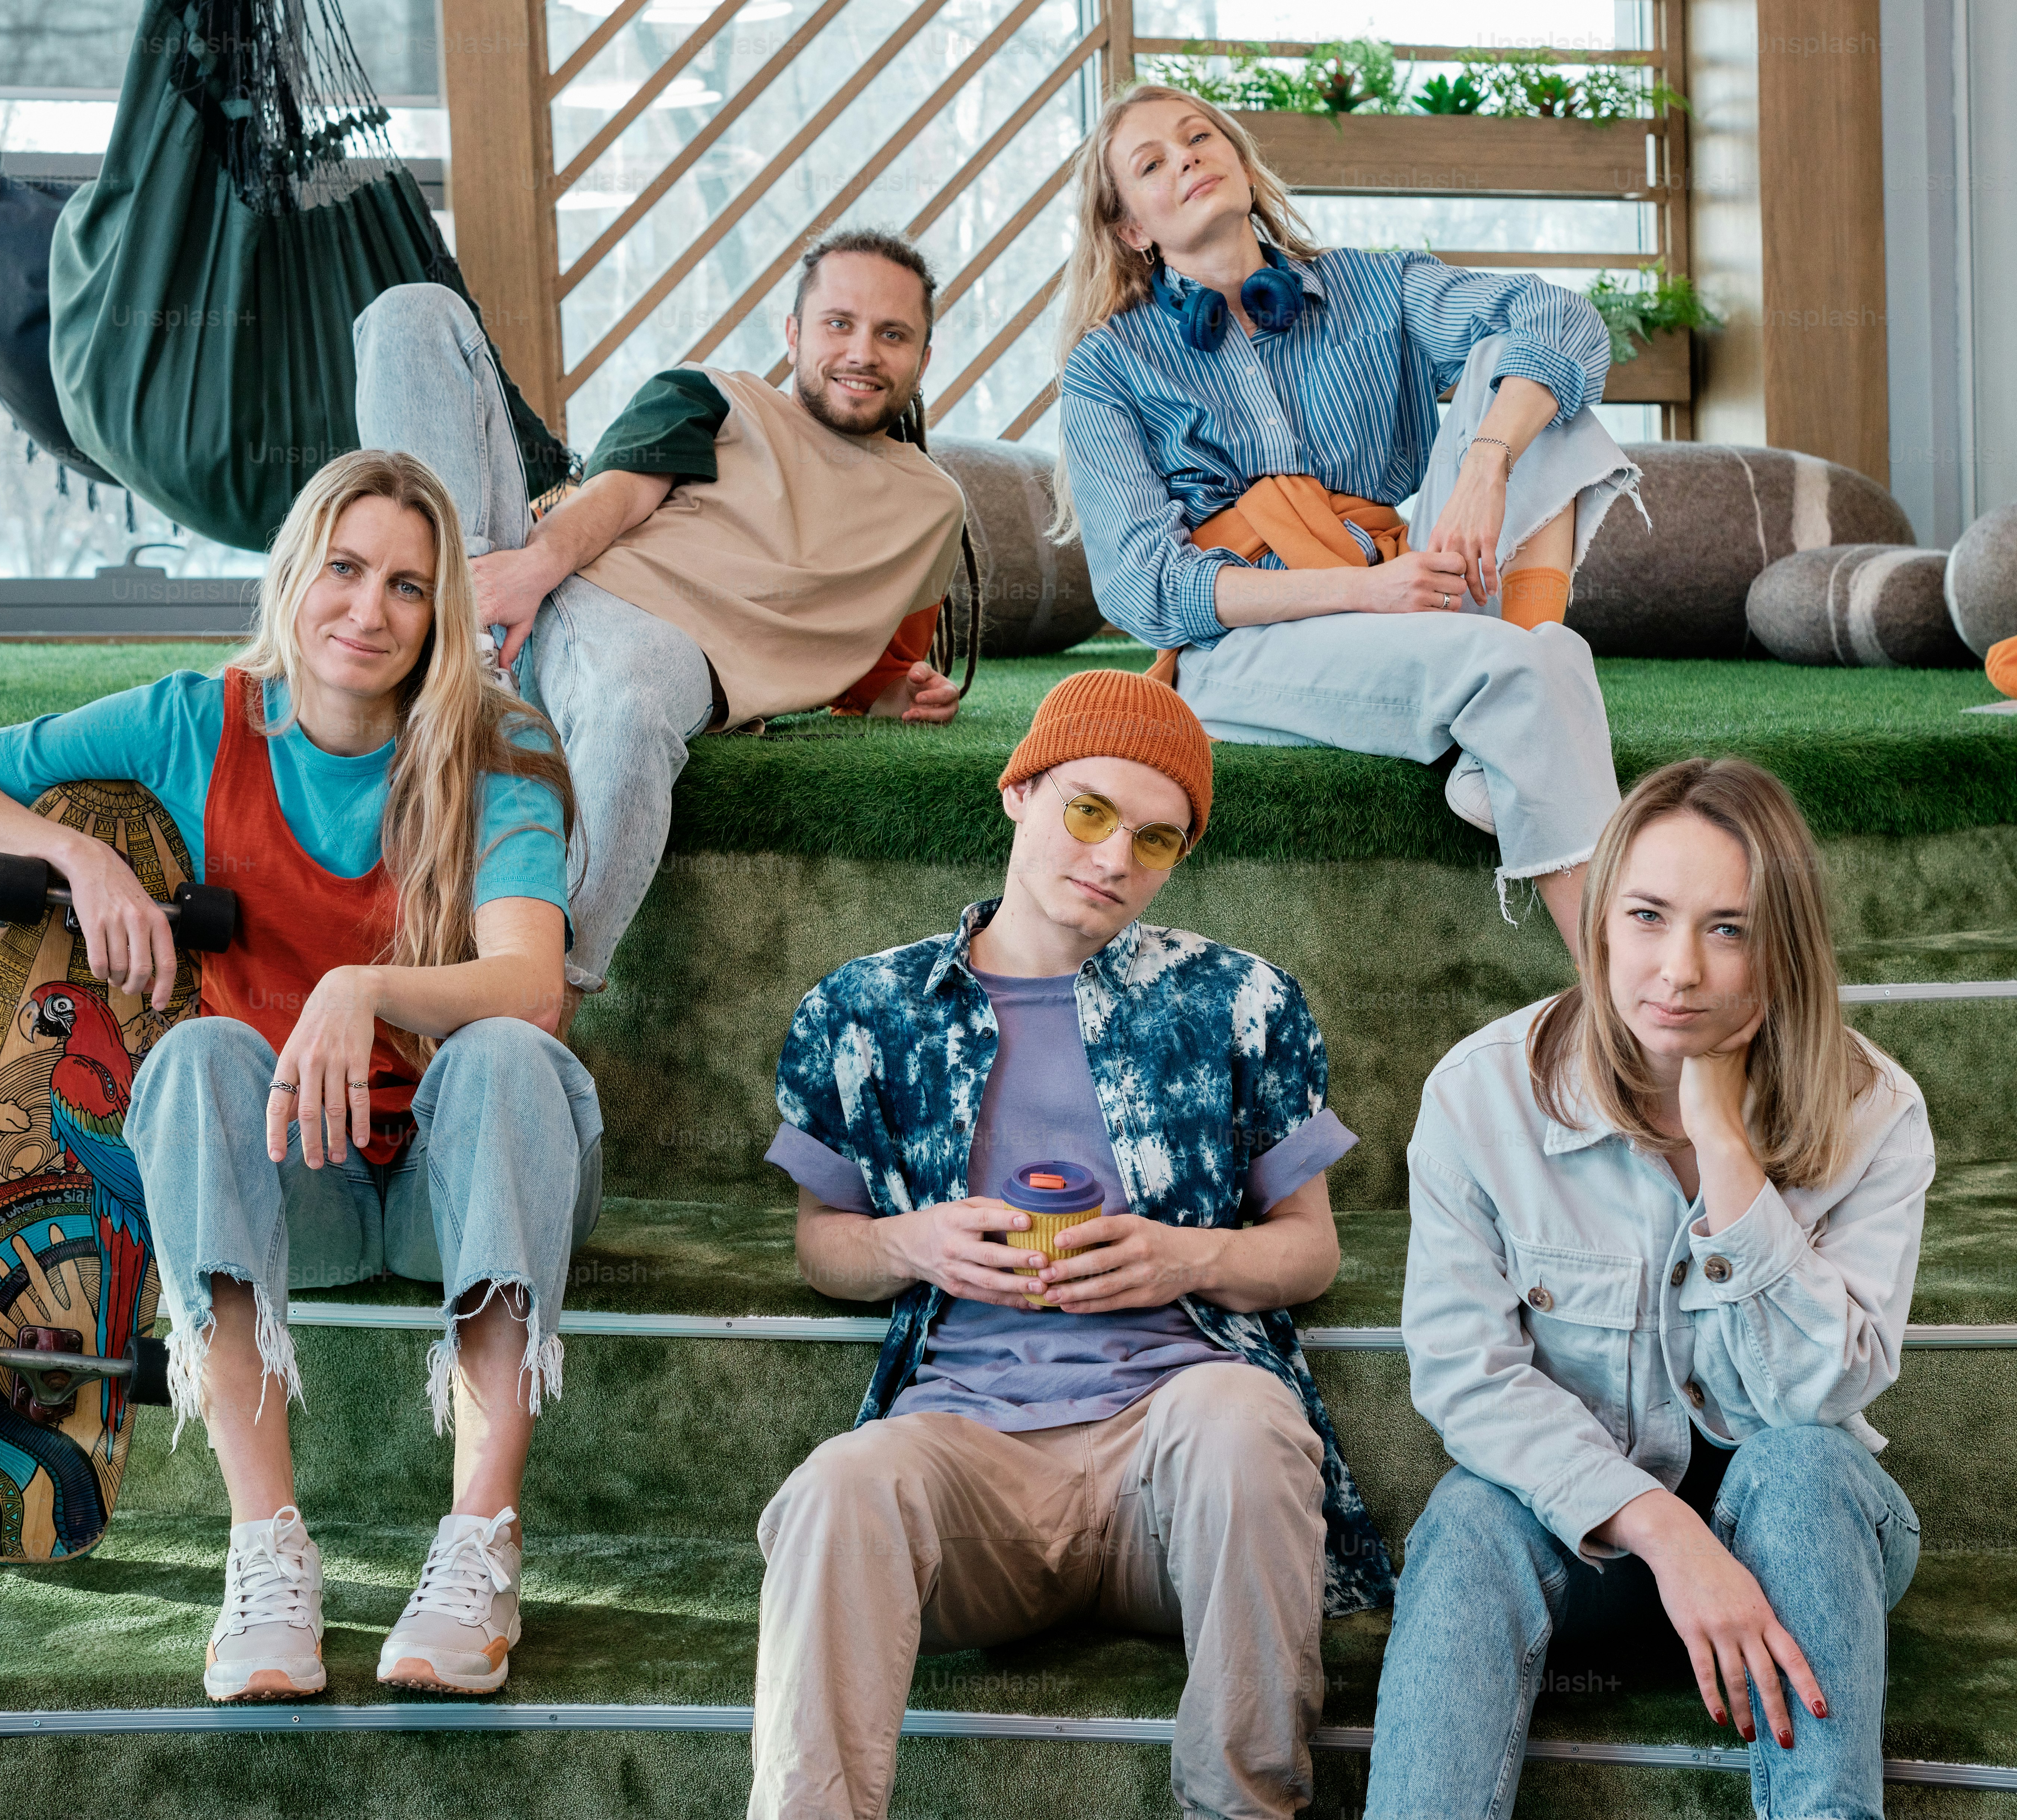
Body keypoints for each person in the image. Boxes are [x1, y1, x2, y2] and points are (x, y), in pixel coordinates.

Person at [0, 451, 601, 1704]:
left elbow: (529, 978)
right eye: (346, 570)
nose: (368, 610)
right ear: (295, 576)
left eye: (409, 587)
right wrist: (75, 858)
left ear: (442, 615)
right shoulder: (199, 720)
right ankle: (266, 1549)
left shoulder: (499, 742)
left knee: (509, 1053)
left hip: (470, 1179)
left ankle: (480, 1540)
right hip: (290, 1185)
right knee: (200, 1053)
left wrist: (361, 988)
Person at [747, 669, 1392, 1820]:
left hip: (1173, 1457)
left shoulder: (1241, 1003)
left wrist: (1186, 1257)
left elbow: (1308, 1254)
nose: (1112, 860)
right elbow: (822, 1247)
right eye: (1088, 811)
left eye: (1155, 839)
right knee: (837, 1488)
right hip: (970, 1458)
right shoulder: (866, 1010)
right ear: (1020, 791)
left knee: (1246, 1417)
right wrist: (914, 1242)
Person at [1366, 757, 1934, 1819]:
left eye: (1729, 928)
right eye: (1646, 916)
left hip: (1802, 1549)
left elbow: (1820, 1392)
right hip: (1586, 1550)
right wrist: (1666, 1535)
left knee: (1802, 1465)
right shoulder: (1483, 1094)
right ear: (1599, 924)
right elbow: (1466, 1377)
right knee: (1470, 1511)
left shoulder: (1873, 1112)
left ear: (1786, 945)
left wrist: (1726, 1147)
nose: (1678, 970)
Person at [1053, 84, 1642, 961]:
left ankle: (1508, 693)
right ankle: (1626, 1006)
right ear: (1134, 230)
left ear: (1242, 166)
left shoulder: (1375, 287)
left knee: (1531, 381)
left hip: (1415, 588)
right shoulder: (1107, 366)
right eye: (1151, 164)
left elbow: (1564, 319)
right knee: (1537, 668)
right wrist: (1367, 589)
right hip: (1247, 647)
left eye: (1199, 137)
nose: (1186, 158)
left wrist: (1486, 460)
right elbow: (1150, 589)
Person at [353, 227, 974, 1024]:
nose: (862, 351)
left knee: (637, 697)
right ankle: (463, 651)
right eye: (838, 324)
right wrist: (524, 575)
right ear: (793, 333)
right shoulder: (717, 395)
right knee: (416, 313)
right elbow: (622, 493)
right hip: (555, 581)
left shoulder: (933, 507)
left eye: (893, 334)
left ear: (925, 352)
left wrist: (893, 693)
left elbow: (873, 652)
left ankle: (542, 992)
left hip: (665, 654)